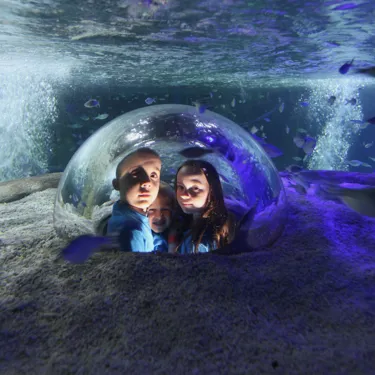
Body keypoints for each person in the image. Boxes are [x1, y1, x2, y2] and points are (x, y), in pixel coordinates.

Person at [174, 159, 236, 254]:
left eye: (195, 188)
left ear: (211, 191)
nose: (183, 195)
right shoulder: (184, 220)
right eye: (181, 187)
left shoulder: (204, 242)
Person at [107, 147, 161, 252]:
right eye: (136, 173)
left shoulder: (130, 214)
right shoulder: (130, 233)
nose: (147, 182)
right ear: (116, 184)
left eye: (153, 175)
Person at [147, 181, 176, 253]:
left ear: (173, 210)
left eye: (165, 209)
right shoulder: (143, 235)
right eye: (152, 210)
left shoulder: (179, 232)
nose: (159, 216)